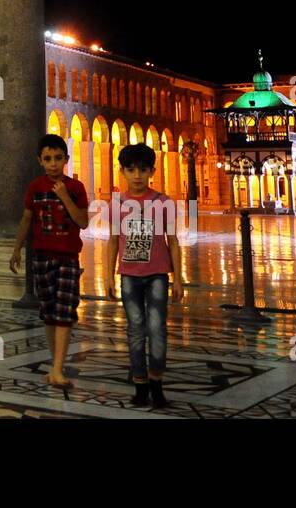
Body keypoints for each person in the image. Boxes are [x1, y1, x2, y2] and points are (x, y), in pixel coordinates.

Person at [105, 143, 183, 409]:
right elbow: (113, 241)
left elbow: (172, 241)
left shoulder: (163, 202)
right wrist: (107, 276)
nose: (137, 175)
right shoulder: (117, 203)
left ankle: (156, 383)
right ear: (122, 171)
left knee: (157, 330)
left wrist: (179, 278)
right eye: (131, 169)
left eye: (143, 170)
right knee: (136, 330)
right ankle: (140, 385)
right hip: (129, 275)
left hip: (158, 273)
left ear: (152, 171)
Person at [10, 134, 90, 388]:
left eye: (58, 158)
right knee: (48, 313)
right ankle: (54, 363)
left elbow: (83, 222)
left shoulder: (75, 188)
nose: (53, 164)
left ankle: (57, 368)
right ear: (40, 161)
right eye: (48, 159)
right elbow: (26, 219)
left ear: (66, 159)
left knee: (64, 312)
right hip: (42, 257)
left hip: (67, 258)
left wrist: (65, 196)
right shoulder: (35, 187)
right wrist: (17, 248)